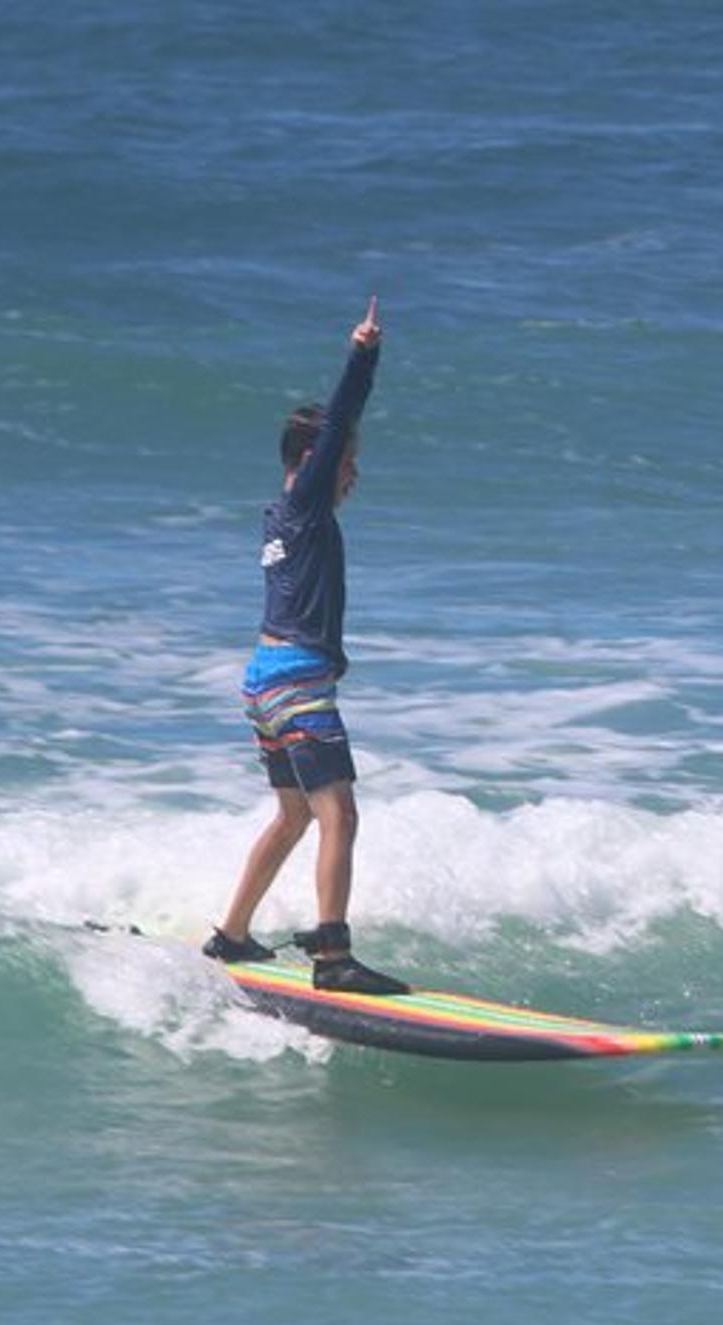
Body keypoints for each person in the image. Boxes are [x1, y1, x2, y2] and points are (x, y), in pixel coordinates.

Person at [203, 298, 409, 994]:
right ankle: (334, 957)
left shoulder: (278, 516)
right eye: (348, 461)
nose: (354, 474)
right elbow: (338, 420)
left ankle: (231, 934)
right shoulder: (305, 502)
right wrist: (365, 354)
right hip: (296, 681)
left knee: (294, 814)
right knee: (338, 812)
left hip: (262, 681)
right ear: (316, 462)